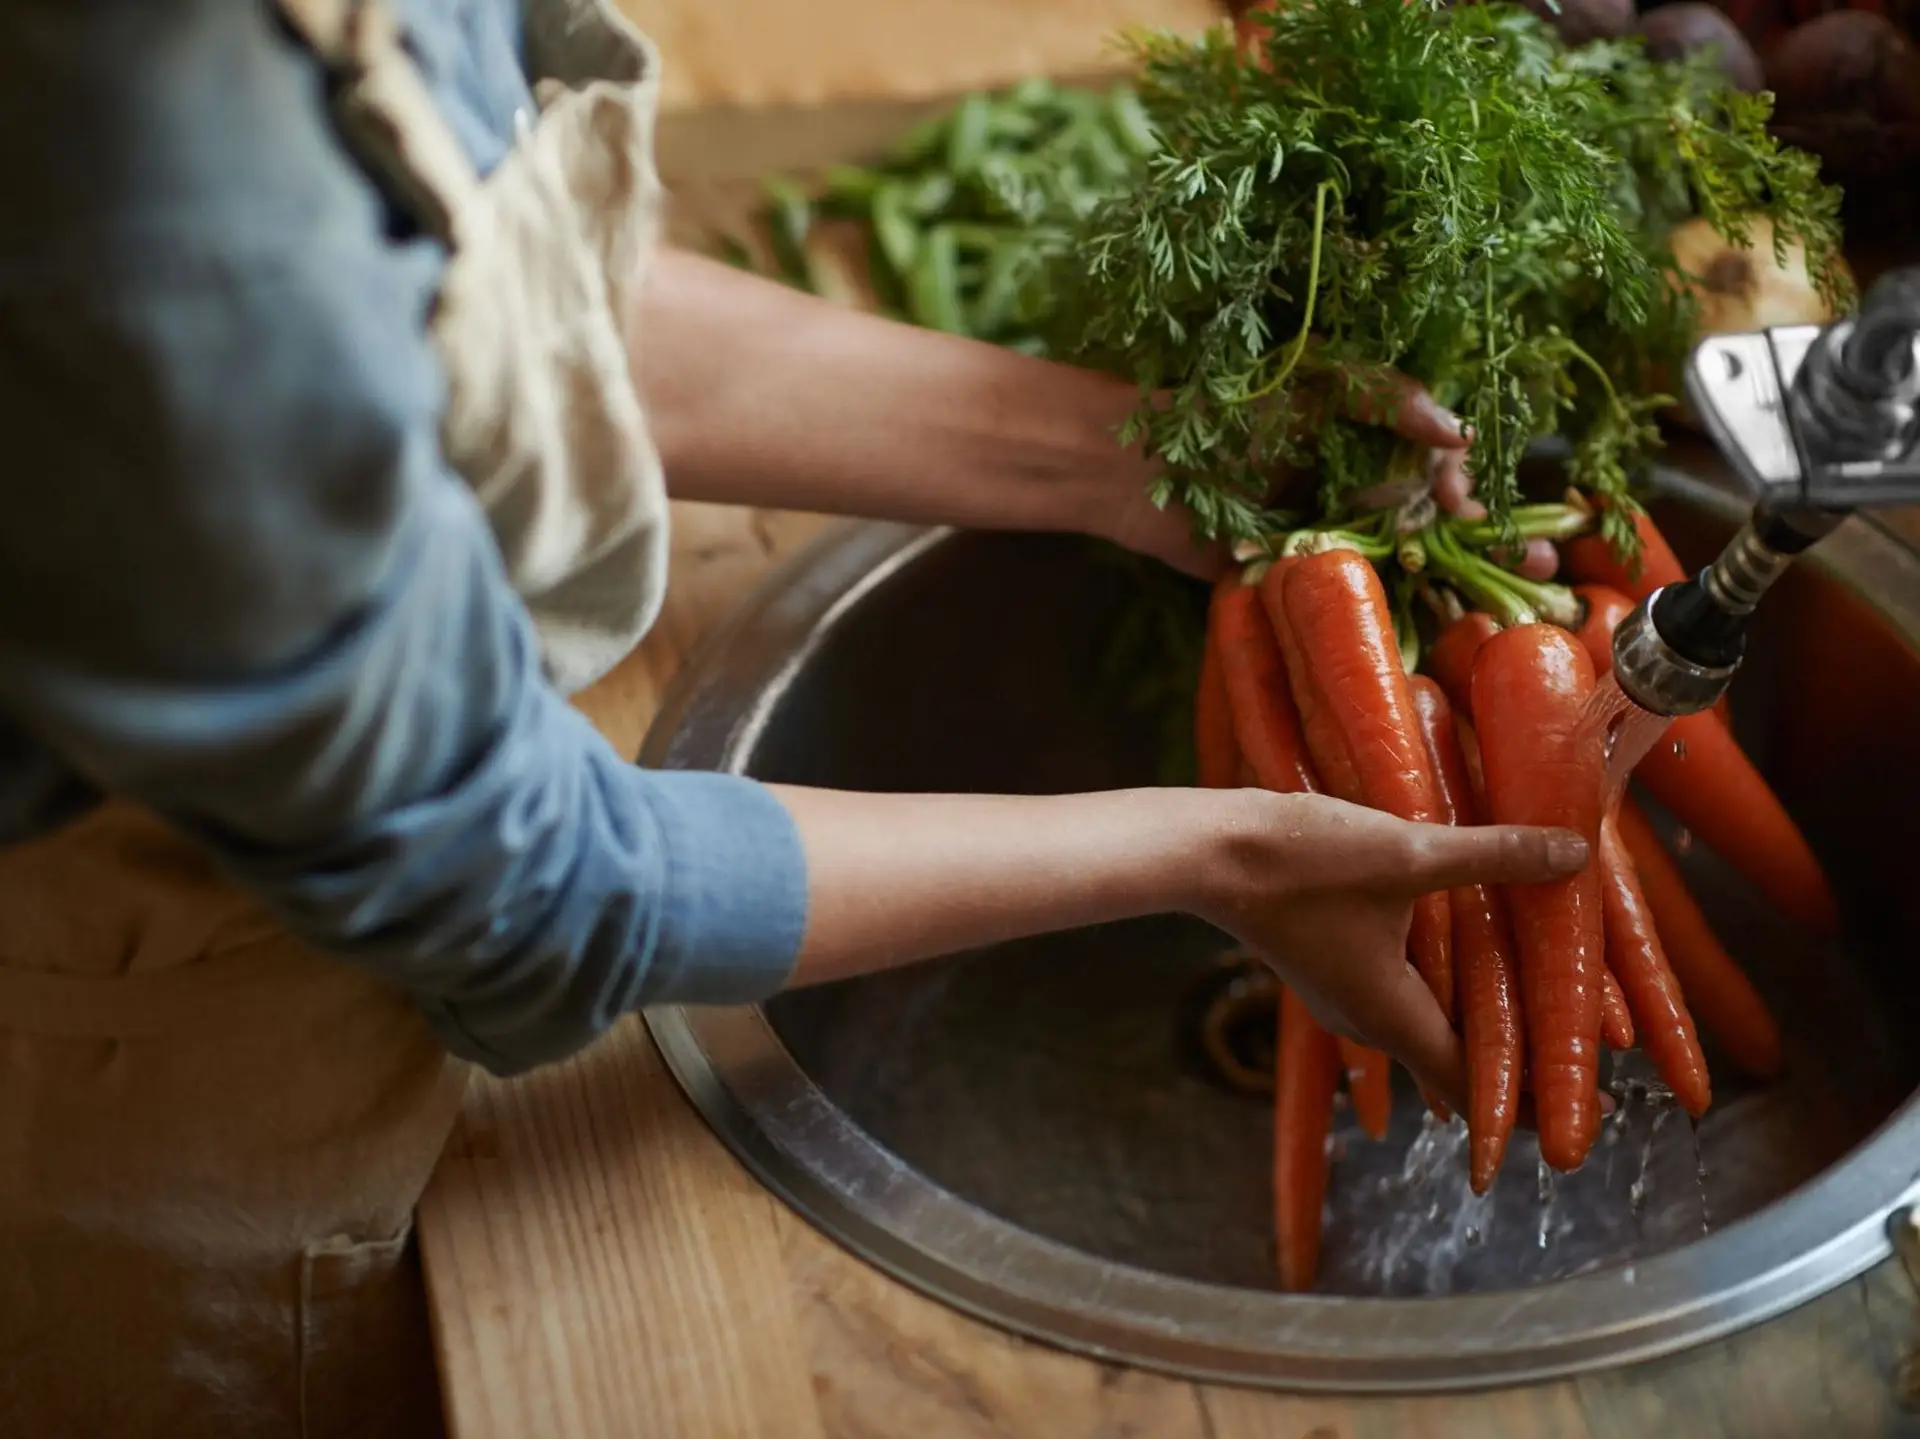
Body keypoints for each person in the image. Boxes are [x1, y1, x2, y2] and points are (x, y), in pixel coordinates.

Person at [0, 1, 1587, 1434]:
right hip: (159, 1058)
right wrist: (1232, 850)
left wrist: (1148, 454)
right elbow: (536, 894)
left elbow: (498, 312)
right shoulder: (151, 183)